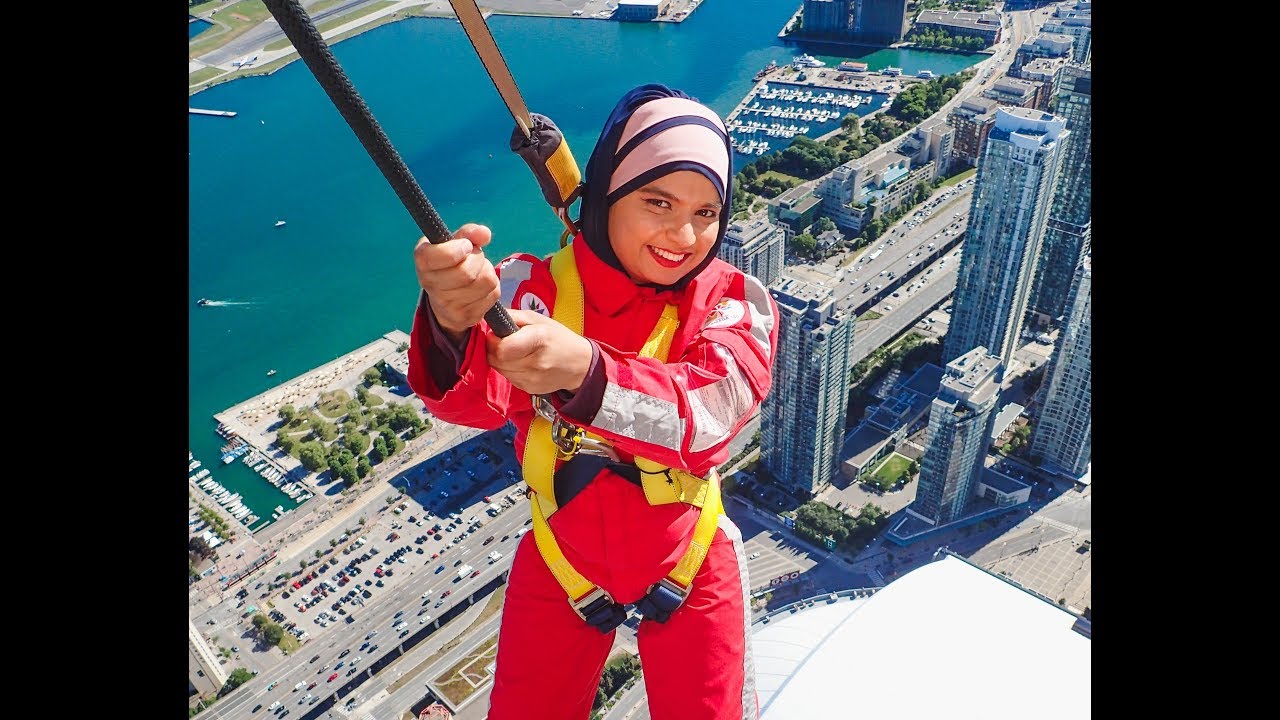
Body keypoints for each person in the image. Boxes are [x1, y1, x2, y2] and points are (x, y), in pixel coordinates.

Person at [406, 84, 779, 720]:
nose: (684, 234)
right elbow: (471, 405)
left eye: (708, 212)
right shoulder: (531, 288)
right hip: (562, 557)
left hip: (688, 557)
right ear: (606, 194)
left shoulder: (736, 300)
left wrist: (587, 373)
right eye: (657, 201)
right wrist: (451, 321)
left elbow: (710, 417)